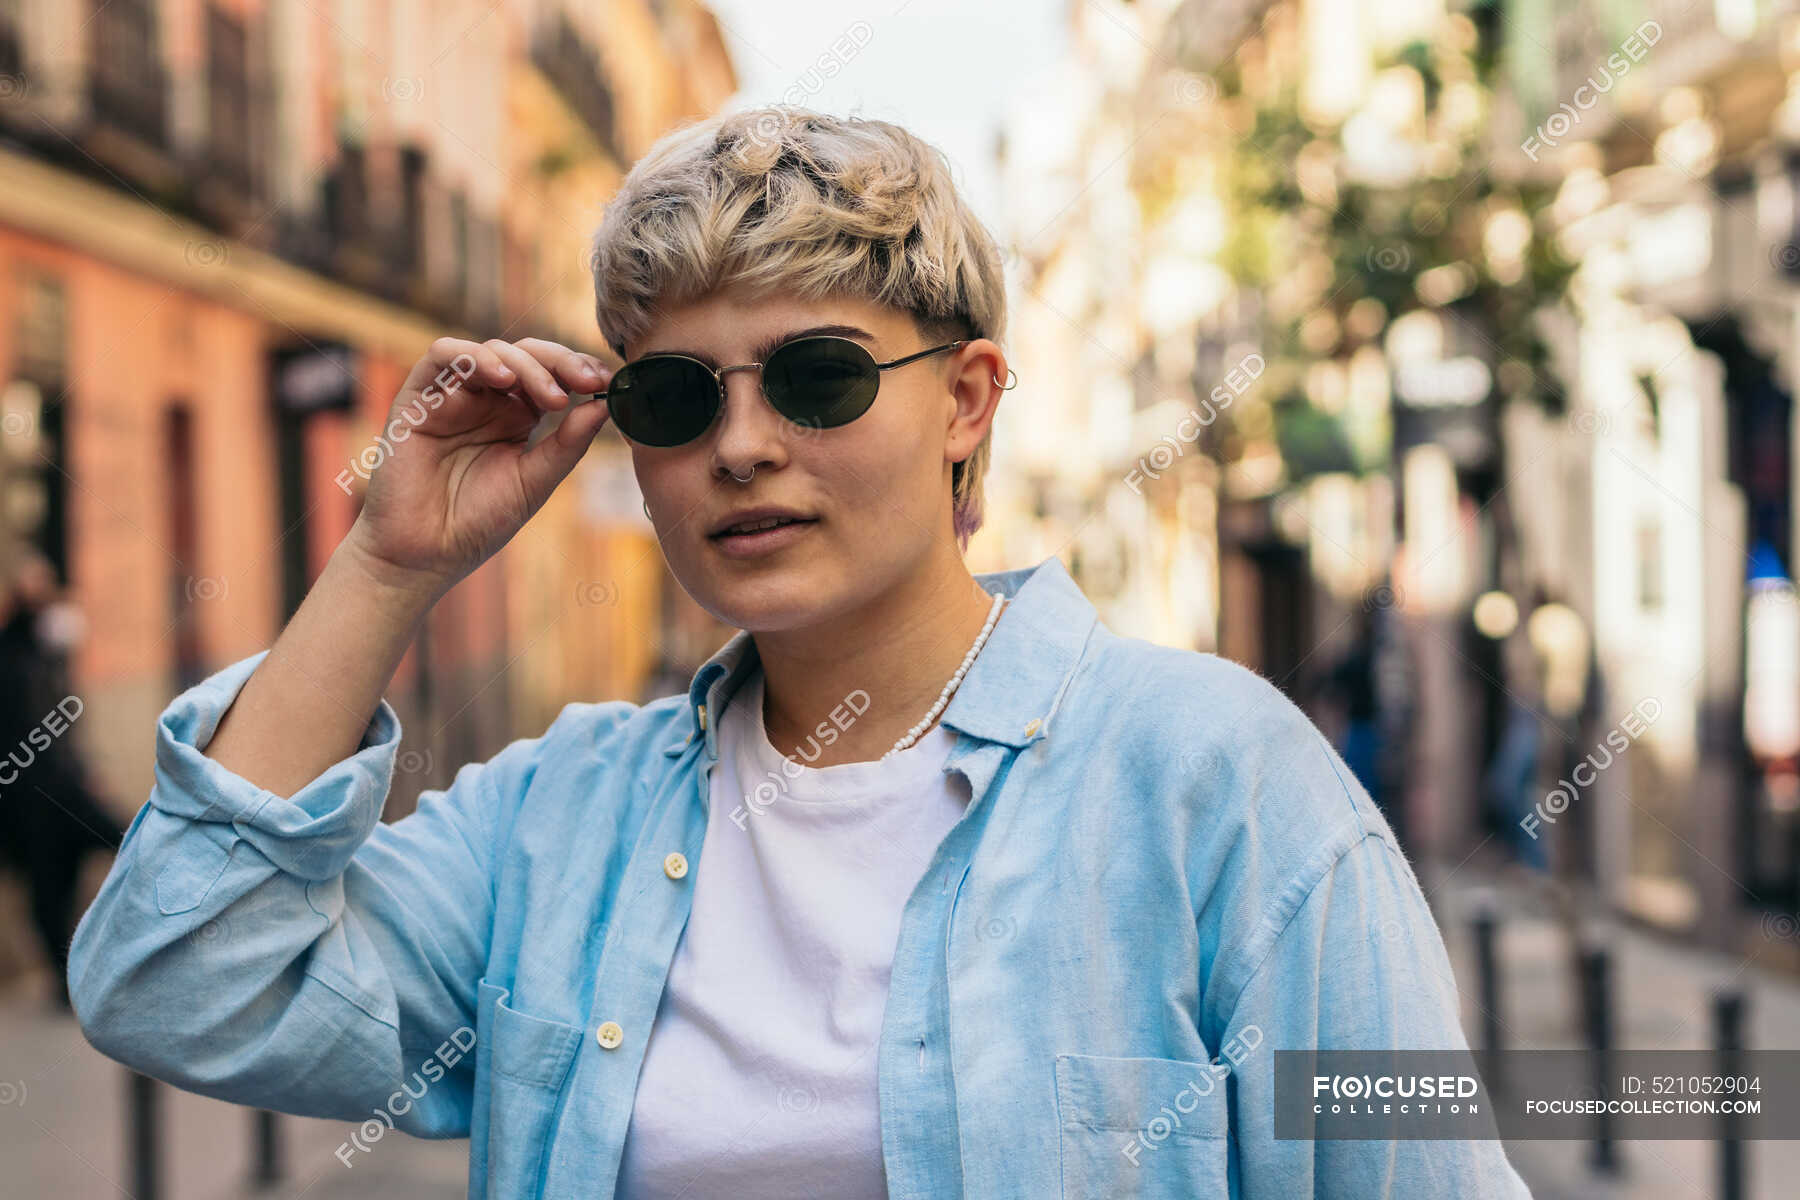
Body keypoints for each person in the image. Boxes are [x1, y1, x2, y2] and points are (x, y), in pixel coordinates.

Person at [68, 107, 1530, 1198]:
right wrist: (391, 564)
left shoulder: (1216, 783)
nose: (745, 445)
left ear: (966, 401)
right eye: (675, 397)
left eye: (820, 377)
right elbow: (177, 976)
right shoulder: (559, 820)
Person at [0, 551, 121, 1010]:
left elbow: (64, 731)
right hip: (35, 804)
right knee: (49, 892)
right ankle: (66, 980)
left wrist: (87, 773)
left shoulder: (49, 659)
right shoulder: (14, 662)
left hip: (66, 792)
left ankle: (80, 973)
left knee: (82, 873)